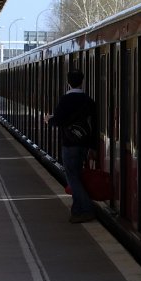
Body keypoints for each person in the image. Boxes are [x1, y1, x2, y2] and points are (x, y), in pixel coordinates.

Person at [44, 70, 97, 223]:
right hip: (84, 144)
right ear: (82, 82)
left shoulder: (65, 100)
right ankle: (77, 210)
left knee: (72, 177)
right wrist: (93, 147)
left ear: (68, 83)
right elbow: (94, 124)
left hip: (69, 143)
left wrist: (49, 119)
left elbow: (59, 120)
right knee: (77, 176)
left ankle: (86, 208)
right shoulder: (89, 100)